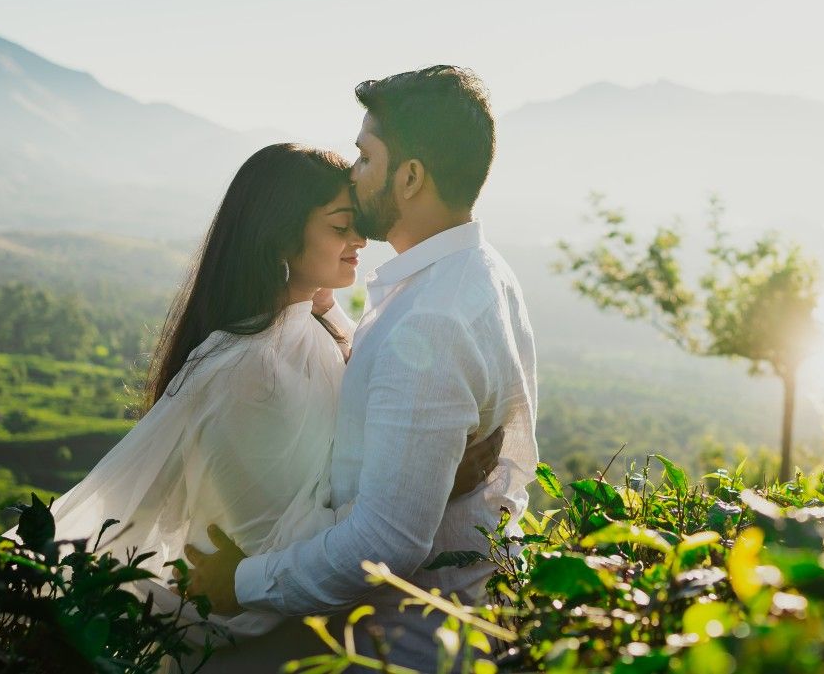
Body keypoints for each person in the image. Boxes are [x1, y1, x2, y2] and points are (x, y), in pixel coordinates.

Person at [35, 142, 497, 671]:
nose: (360, 239)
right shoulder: (248, 376)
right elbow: (272, 543)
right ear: (280, 239)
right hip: (262, 644)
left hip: (318, 634)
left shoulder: (306, 330)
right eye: (339, 226)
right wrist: (435, 486)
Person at [186, 66, 539, 672]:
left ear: (409, 177)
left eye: (364, 157)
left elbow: (387, 544)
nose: (353, 173)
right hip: (446, 620)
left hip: (399, 648)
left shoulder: (430, 321)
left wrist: (239, 583)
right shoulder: (479, 273)